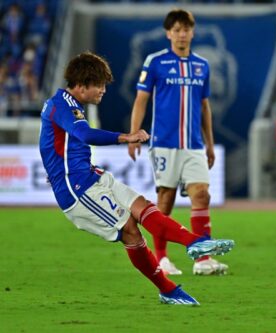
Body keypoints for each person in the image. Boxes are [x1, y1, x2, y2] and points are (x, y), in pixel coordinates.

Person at [39, 51, 234, 305]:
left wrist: (53, 168)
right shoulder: (62, 104)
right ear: (82, 84)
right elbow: (84, 135)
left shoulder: (66, 105)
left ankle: (194, 242)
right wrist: (126, 137)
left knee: (142, 205)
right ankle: (168, 290)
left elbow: (50, 143)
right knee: (131, 231)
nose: (103, 90)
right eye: (99, 85)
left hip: (90, 177)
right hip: (78, 190)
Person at [128, 9, 227, 276]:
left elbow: (204, 106)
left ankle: (202, 258)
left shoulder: (202, 65)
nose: (182, 34)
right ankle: (161, 259)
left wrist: (209, 142)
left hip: (193, 144)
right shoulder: (156, 62)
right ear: (168, 33)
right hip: (165, 144)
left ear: (192, 32)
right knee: (166, 200)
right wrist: (134, 132)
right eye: (177, 30)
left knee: (202, 194)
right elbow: (141, 100)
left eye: (186, 29)